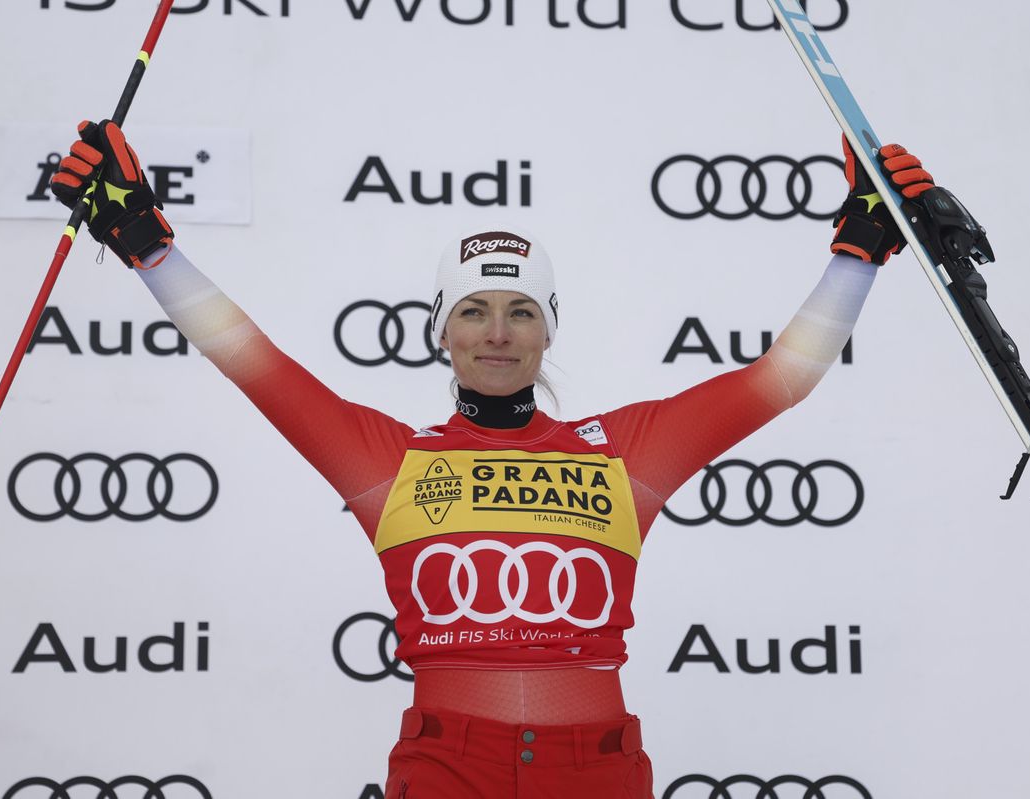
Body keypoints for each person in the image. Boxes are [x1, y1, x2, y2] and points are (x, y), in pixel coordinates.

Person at [50, 120, 935, 798]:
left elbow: (781, 376)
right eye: (474, 310)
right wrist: (148, 249)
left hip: (595, 766)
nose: (499, 332)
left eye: (522, 309)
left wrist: (857, 253)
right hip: (447, 767)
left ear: (550, 327)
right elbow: (251, 359)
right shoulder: (386, 461)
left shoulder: (622, 452)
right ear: (443, 331)